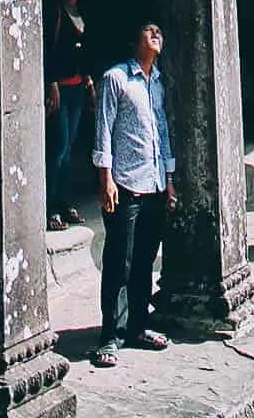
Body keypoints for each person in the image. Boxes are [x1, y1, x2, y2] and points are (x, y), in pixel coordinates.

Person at [90, 20, 177, 368]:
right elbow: (103, 129)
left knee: (144, 260)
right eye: (149, 29)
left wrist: (169, 179)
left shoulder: (157, 83)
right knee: (119, 262)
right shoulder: (116, 79)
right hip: (124, 182)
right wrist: (105, 178)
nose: (157, 34)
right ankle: (111, 335)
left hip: (153, 182)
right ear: (134, 39)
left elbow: (163, 130)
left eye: (160, 31)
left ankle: (139, 325)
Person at [44, 0, 94, 230]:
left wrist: (87, 78)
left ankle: (64, 202)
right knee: (58, 149)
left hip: (76, 85)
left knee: (69, 147)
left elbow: (82, 51)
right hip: (60, 86)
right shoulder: (56, 12)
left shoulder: (79, 12)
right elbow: (49, 49)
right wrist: (51, 82)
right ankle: (51, 206)